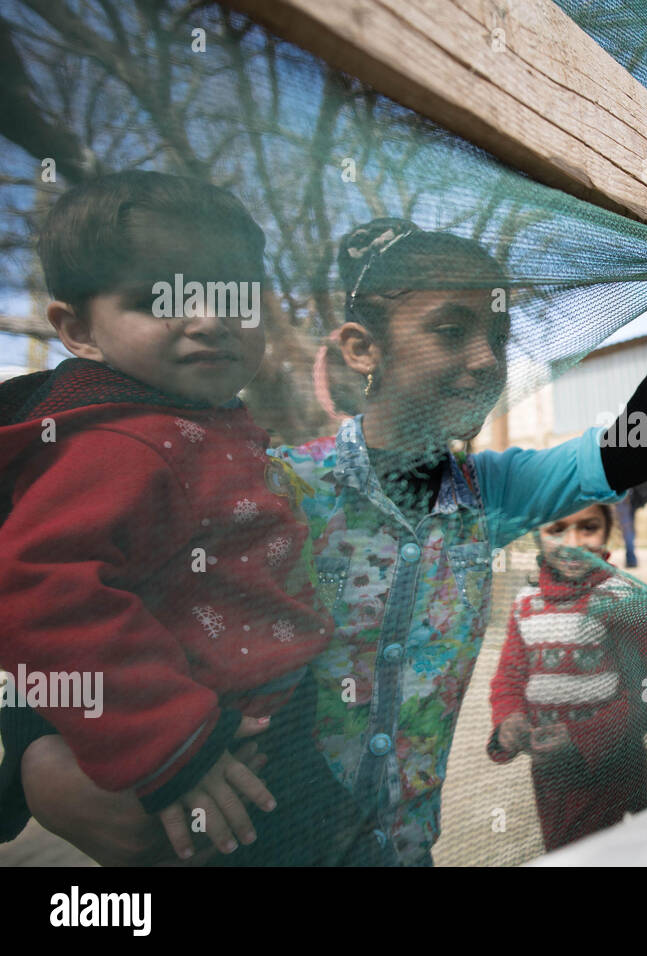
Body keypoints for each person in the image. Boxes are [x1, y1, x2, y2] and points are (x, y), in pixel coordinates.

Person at [7, 216, 647, 865]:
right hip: (267, 843)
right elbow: (77, 608)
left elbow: (630, 454)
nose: (484, 361)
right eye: (449, 330)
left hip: (402, 849)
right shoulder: (276, 489)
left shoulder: (489, 492)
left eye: (498, 338)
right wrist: (34, 757)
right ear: (362, 348)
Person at [0, 171, 385, 865]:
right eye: (157, 299)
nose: (208, 319)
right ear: (78, 330)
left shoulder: (190, 422)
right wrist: (169, 745)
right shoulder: (118, 442)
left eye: (232, 295)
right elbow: (39, 593)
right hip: (213, 764)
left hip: (258, 732)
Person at [486, 503, 647, 850]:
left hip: (613, 766)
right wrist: (508, 719)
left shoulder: (623, 598)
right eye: (557, 529)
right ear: (537, 535)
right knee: (562, 847)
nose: (572, 542)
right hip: (550, 773)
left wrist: (582, 737)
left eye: (588, 528)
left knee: (610, 851)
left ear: (608, 532)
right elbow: (509, 677)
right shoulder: (526, 603)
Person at [613, 478, 647, 567]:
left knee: (627, 528)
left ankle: (631, 559)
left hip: (625, 496)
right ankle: (631, 558)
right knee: (629, 527)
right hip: (631, 497)